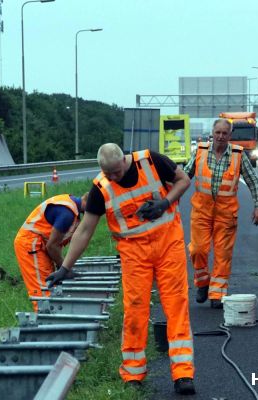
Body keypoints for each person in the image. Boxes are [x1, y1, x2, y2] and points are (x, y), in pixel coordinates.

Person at [47, 143, 196, 395]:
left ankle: (183, 373)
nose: (114, 177)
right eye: (108, 173)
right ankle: (133, 373)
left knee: (175, 305)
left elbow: (183, 180)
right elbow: (85, 229)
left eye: (116, 172)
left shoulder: (151, 161)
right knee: (135, 310)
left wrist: (164, 203)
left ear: (124, 160)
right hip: (134, 253)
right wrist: (64, 267)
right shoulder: (100, 188)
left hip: (168, 244)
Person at [184, 119, 258, 309]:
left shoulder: (238, 155)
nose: (220, 136)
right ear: (212, 133)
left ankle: (217, 294)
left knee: (223, 255)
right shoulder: (201, 152)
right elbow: (184, 176)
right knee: (197, 250)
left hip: (226, 215)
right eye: (217, 132)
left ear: (230, 135)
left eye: (224, 133)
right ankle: (203, 284)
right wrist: (169, 198)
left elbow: (253, 181)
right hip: (201, 211)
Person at [13, 193, 87, 311]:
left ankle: (55, 321)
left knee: (51, 285)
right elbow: (52, 246)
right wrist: (64, 268)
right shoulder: (67, 214)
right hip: (31, 244)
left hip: (39, 245)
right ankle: (45, 322)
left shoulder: (72, 207)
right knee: (43, 291)